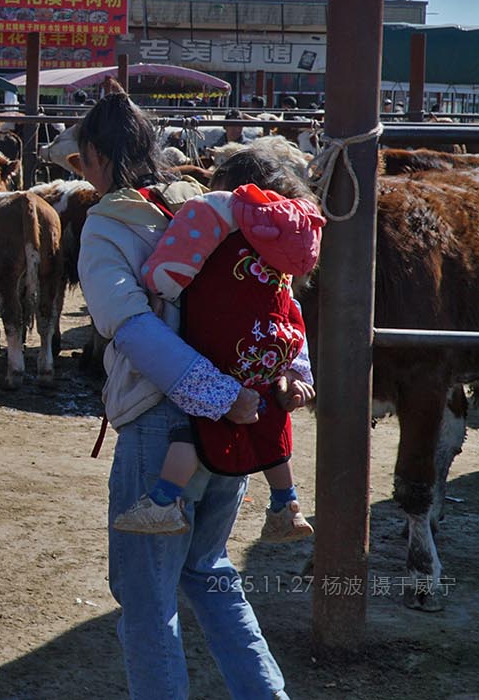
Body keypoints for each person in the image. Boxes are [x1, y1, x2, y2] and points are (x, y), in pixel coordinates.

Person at [76, 85, 289, 698]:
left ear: (97, 156)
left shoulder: (107, 224)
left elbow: (128, 324)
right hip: (235, 426)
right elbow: (270, 297)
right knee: (209, 569)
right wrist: (242, 393)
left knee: (146, 600)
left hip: (162, 425)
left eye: (83, 160)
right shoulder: (207, 207)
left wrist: (214, 394)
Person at [113, 149, 321, 544]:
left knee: (194, 424)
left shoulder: (219, 214)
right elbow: (290, 304)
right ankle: (286, 504)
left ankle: (164, 501)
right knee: (272, 421)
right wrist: (296, 369)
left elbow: (167, 274)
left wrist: (157, 286)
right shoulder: (285, 239)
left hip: (226, 350)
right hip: (271, 350)